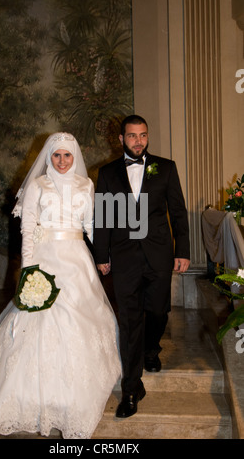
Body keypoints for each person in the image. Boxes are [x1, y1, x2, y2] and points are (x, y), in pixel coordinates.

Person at [0, 132, 121, 439]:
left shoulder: (86, 185)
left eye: (67, 156)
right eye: (56, 156)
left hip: (77, 262)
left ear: (74, 156)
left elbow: (91, 225)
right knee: (40, 320)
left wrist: (105, 256)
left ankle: (72, 399)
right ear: (48, 158)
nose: (62, 161)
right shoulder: (37, 186)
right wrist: (28, 269)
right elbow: (28, 229)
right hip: (45, 258)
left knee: (79, 319)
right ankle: (30, 398)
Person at [93, 115, 190, 419]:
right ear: (121, 139)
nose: (138, 141)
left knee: (159, 310)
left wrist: (183, 251)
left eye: (143, 135)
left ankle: (152, 348)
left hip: (159, 254)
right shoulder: (108, 173)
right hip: (124, 259)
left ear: (148, 137)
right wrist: (102, 255)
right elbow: (104, 217)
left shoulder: (166, 167)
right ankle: (132, 389)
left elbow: (178, 213)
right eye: (132, 136)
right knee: (130, 321)